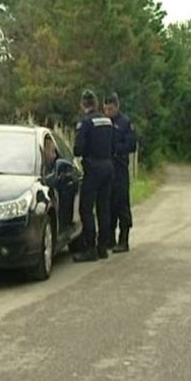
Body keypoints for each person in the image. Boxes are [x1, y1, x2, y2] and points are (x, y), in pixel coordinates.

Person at [73, 90, 115, 262]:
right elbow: (113, 144)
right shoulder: (107, 121)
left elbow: (78, 150)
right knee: (103, 207)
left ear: (83, 104)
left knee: (86, 208)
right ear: (96, 103)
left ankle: (90, 248)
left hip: (93, 167)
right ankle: (102, 247)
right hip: (108, 166)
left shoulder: (86, 123)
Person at [103, 93, 137, 253]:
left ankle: (124, 240)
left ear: (117, 107)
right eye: (106, 109)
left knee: (122, 204)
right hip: (107, 169)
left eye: (110, 108)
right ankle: (109, 239)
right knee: (108, 205)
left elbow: (131, 145)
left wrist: (116, 149)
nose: (108, 111)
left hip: (120, 168)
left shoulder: (125, 123)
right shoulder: (103, 122)